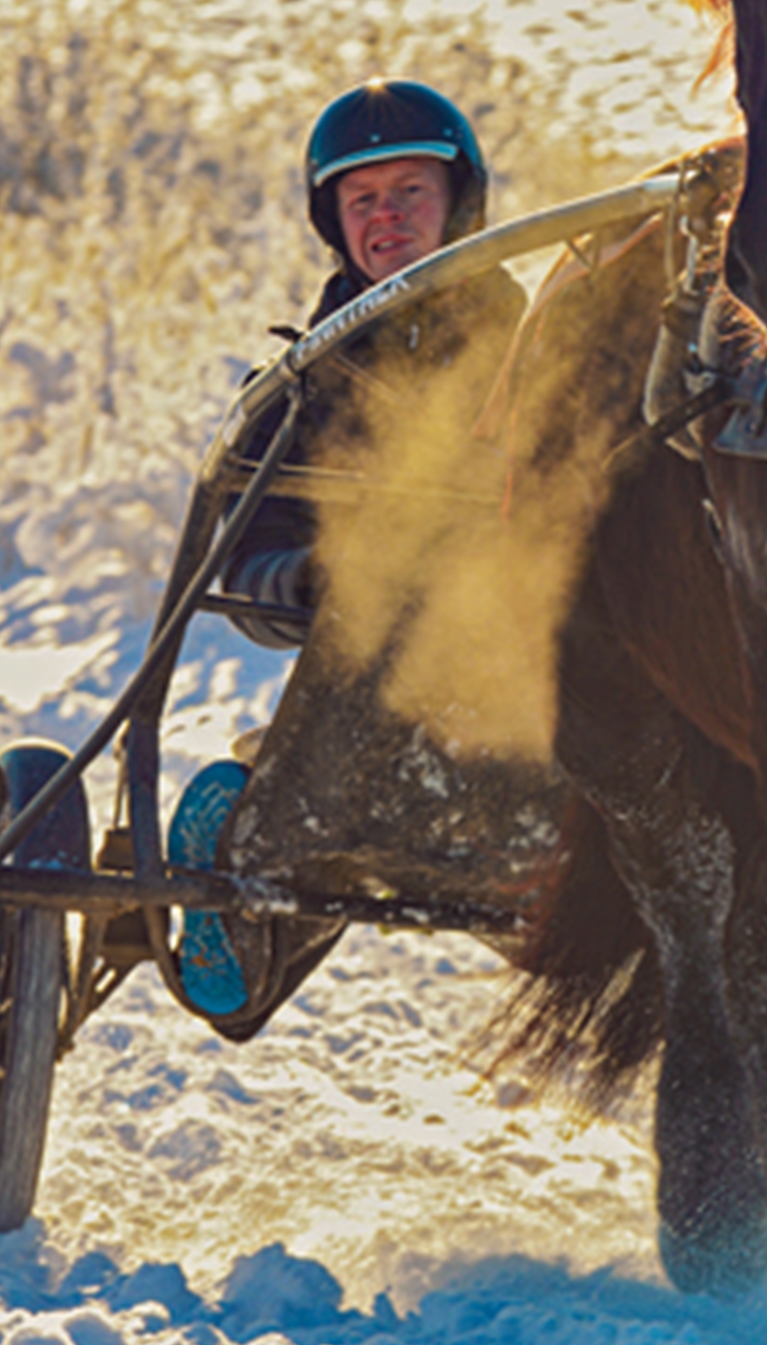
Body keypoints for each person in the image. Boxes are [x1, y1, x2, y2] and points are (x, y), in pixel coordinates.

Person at [170, 80, 526, 1015]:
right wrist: (310, 579)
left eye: (410, 192)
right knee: (377, 610)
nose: (388, 217)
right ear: (335, 225)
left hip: (529, 681)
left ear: (460, 203)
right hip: (360, 693)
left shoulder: (546, 353)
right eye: (363, 201)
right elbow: (239, 565)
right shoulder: (302, 386)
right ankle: (245, 861)